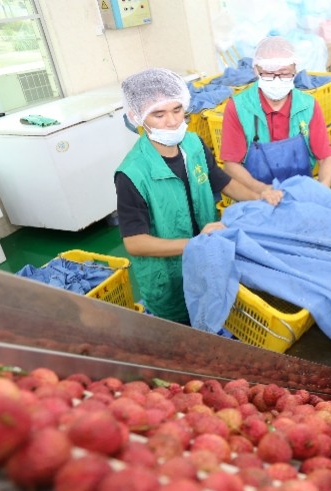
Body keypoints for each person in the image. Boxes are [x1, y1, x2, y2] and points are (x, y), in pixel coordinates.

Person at [116, 67, 281, 324]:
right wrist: (195, 243)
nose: (172, 122)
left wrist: (261, 197)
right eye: (158, 114)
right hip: (169, 277)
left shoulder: (193, 145)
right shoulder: (132, 173)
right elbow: (135, 242)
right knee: (183, 330)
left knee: (215, 308)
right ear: (137, 117)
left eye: (177, 110)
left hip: (210, 256)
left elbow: (222, 181)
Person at [219, 36, 331, 192]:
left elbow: (326, 158)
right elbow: (231, 164)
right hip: (255, 195)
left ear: (295, 70)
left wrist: (322, 190)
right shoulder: (238, 107)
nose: (276, 80)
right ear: (256, 70)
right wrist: (263, 190)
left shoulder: (308, 106)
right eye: (268, 74)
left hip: (299, 193)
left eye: (284, 73)